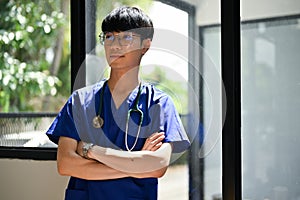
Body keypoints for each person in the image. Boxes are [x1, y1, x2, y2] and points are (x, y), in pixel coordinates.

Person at [46, 6, 190, 200]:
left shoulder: (159, 104)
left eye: (126, 38)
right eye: (109, 37)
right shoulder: (80, 101)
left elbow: (158, 166)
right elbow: (65, 164)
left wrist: (90, 150)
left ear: (145, 46)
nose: (114, 45)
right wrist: (137, 165)